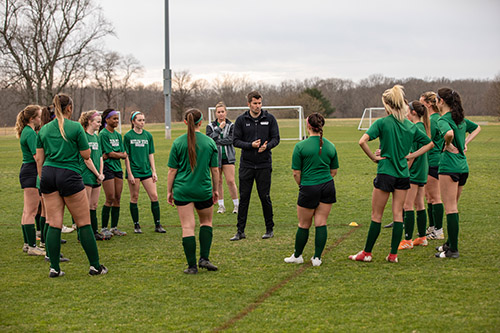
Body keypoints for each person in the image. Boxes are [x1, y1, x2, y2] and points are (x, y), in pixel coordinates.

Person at [348, 85, 434, 263]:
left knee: (376, 216)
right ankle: (393, 255)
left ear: (387, 105)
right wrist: (411, 155)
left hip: (386, 172)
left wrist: (373, 157)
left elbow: (362, 141)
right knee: (397, 215)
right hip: (403, 174)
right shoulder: (410, 126)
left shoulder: (382, 123)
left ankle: (367, 253)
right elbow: (429, 144)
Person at [36, 93, 107, 277]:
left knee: (53, 223)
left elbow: (39, 159)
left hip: (48, 175)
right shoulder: (75, 127)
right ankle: (95, 266)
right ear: (69, 108)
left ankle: (54, 268)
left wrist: (43, 179)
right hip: (69, 174)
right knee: (84, 222)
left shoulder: (43, 129)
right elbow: (85, 154)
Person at [167, 109, 219, 274]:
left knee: (187, 227)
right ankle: (204, 259)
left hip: (183, 190)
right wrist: (216, 190)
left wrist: (169, 191)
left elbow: (172, 171)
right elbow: (215, 170)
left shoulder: (177, 143)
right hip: (203, 189)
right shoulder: (209, 142)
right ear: (201, 122)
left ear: (185, 122)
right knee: (206, 222)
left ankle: (191, 267)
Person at [284, 113, 339, 267]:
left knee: (303, 224)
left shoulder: (300, 146)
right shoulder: (331, 146)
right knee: (321, 222)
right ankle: (317, 258)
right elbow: (333, 172)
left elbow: (296, 173)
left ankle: (297, 255)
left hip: (309, 187)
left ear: (308, 126)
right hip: (327, 187)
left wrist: (303, 186)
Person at [434, 88, 481, 258]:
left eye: (437, 99)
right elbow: (477, 128)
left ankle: (453, 250)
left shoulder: (443, 120)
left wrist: (447, 143)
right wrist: (465, 143)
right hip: (462, 167)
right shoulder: (460, 119)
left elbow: (448, 133)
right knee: (453, 206)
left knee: (451, 208)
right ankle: (449, 244)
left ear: (441, 102)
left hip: (449, 167)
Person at [230, 91, 280, 241]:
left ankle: (269, 229)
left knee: (264, 197)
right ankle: (240, 231)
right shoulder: (241, 120)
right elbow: (235, 141)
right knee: (244, 198)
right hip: (247, 165)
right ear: (249, 104)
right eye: (255, 103)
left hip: (264, 164)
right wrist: (250, 145)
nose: (258, 106)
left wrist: (268, 146)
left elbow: (276, 138)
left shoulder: (269, 119)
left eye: (259, 103)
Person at [124, 111, 165, 234]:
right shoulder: (128, 136)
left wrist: (154, 171)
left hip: (146, 171)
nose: (142, 122)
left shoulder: (148, 136)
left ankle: (158, 224)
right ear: (133, 121)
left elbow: (150, 154)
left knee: (154, 196)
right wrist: (130, 173)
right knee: (134, 197)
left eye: (143, 120)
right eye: (139, 120)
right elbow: (126, 156)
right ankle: (136, 225)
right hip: (134, 171)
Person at [398, 101, 431, 250]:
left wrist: (405, 171)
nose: (405, 114)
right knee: (420, 204)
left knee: (407, 205)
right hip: (423, 170)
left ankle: (408, 240)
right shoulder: (422, 126)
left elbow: (410, 155)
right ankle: (422, 237)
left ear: (413, 113)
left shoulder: (413, 128)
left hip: (414, 171)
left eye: (407, 111)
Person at [16, 105, 45, 256]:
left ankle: (27, 243)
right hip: (31, 172)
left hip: (27, 170)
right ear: (32, 118)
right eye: (39, 116)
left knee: (27, 211)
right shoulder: (31, 133)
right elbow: (37, 157)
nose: (41, 119)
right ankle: (32, 246)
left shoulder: (26, 131)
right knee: (31, 211)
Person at [206, 101, 239, 214]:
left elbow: (231, 139)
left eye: (222, 112)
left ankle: (236, 205)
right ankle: (221, 206)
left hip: (228, 157)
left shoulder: (231, 125)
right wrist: (219, 129)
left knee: (230, 181)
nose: (221, 114)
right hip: (215, 157)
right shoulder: (210, 126)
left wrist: (218, 141)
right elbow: (209, 140)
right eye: (218, 112)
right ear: (215, 113)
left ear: (226, 112)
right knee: (218, 181)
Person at [79, 111, 108, 241]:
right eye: (97, 121)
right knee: (84, 206)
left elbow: (100, 156)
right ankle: (82, 234)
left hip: (97, 176)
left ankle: (94, 231)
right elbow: (87, 159)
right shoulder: (83, 136)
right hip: (86, 175)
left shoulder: (96, 137)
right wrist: (97, 173)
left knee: (93, 205)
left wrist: (101, 173)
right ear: (90, 122)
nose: (100, 124)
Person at [420, 91, 445, 240]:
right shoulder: (433, 118)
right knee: (429, 197)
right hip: (431, 160)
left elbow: (427, 140)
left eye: (421, 102)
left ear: (428, 104)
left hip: (433, 161)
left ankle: (438, 230)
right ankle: (432, 227)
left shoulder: (433, 120)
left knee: (434, 197)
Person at [99, 108, 127, 237]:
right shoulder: (103, 134)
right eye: (114, 118)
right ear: (107, 119)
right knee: (110, 197)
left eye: (117, 118)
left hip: (117, 168)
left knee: (117, 198)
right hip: (108, 168)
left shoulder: (117, 135)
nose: (116, 121)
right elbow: (109, 153)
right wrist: (117, 154)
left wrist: (116, 155)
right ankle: (104, 227)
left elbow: (123, 154)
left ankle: (114, 227)